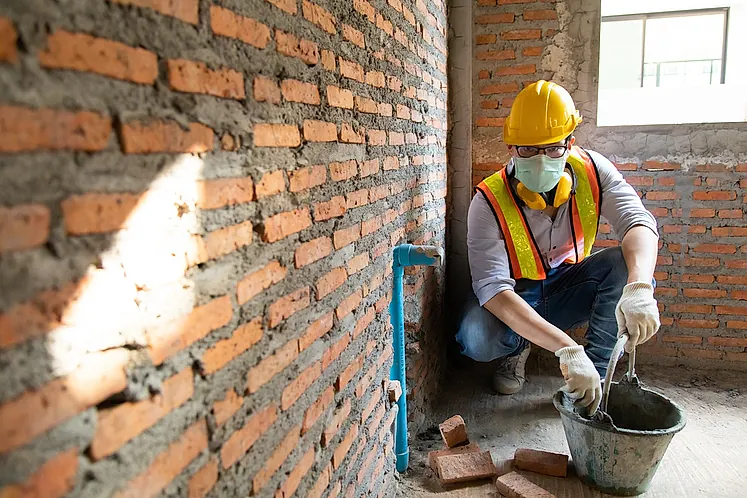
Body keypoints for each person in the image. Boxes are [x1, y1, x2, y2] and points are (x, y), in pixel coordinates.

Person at [457, 80, 660, 413]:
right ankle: (518, 347)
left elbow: (638, 223)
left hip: (566, 286)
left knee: (624, 267)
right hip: (515, 295)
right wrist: (568, 349)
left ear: (570, 143)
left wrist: (638, 286)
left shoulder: (595, 172)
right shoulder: (488, 201)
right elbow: (493, 290)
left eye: (552, 148)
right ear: (510, 147)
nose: (541, 159)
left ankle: (593, 377)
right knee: (475, 336)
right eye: (527, 149)